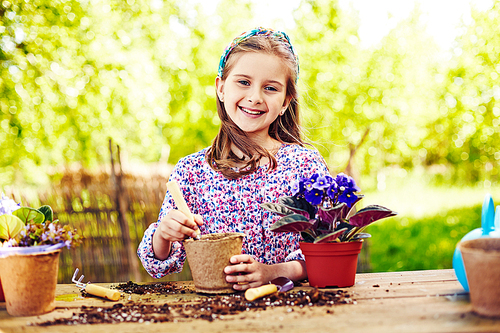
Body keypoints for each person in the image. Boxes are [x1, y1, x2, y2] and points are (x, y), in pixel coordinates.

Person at [137, 27, 329, 290]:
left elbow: (326, 250)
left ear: (286, 101)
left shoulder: (304, 165)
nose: (254, 97)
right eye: (243, 82)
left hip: (290, 310)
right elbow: (159, 264)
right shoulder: (191, 172)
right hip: (215, 315)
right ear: (221, 88)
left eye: (270, 88)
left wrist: (271, 272)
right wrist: (163, 234)